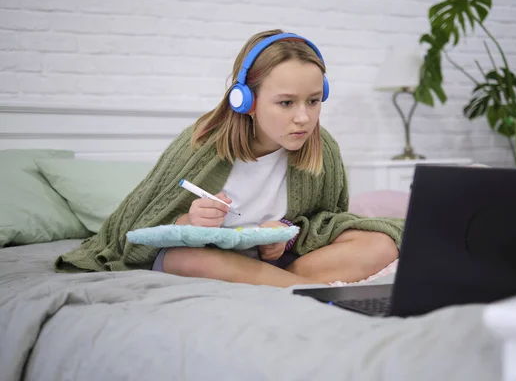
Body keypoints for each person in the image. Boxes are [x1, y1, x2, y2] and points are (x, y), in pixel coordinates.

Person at [55, 29, 405, 288]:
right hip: (211, 255)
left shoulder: (321, 146)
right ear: (245, 101)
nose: (304, 117)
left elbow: (326, 221)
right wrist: (190, 221)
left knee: (379, 243)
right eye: (286, 103)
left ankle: (273, 282)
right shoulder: (202, 144)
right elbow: (138, 231)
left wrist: (286, 235)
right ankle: (298, 288)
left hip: (275, 260)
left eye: (313, 101)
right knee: (183, 258)